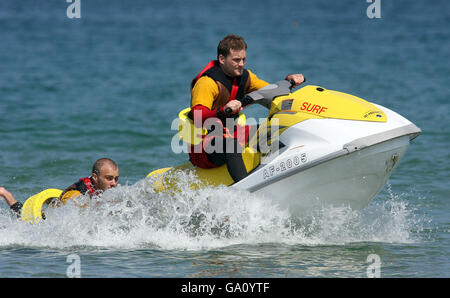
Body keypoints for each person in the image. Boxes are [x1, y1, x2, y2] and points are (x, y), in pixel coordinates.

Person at [188, 34, 305, 182]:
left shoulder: (246, 77)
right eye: (236, 60)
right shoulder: (207, 82)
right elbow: (197, 115)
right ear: (222, 59)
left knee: (273, 130)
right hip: (202, 146)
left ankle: (279, 178)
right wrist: (223, 110)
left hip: (231, 132)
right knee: (231, 144)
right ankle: (245, 192)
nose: (241, 64)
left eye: (243, 59)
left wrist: (289, 81)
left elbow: (271, 91)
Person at [0, 158, 119, 216]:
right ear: (95, 177)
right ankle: (5, 194)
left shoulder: (104, 189)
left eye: (116, 178)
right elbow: (70, 209)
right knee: (22, 217)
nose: (114, 183)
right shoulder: (79, 191)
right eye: (109, 178)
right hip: (46, 221)